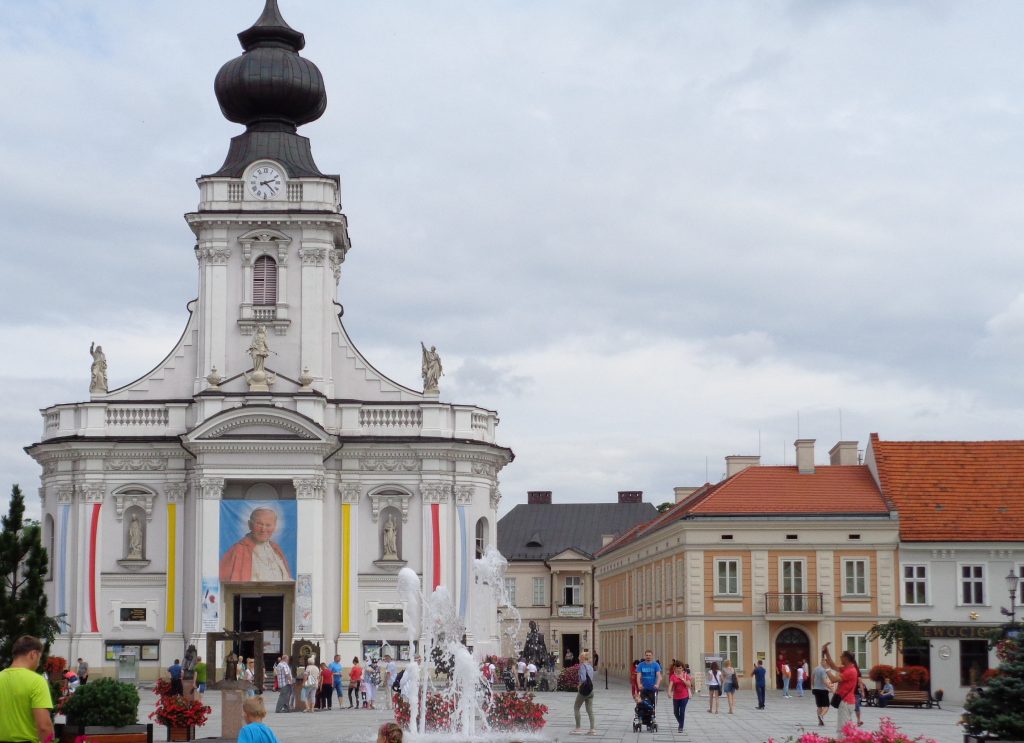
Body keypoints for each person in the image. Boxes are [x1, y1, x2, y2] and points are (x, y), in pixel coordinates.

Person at [0, 636, 55, 743]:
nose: (39, 663)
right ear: (33, 654)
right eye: (39, 657)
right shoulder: (37, 681)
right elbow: (44, 726)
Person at [220, 507, 292, 582]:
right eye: (259, 524)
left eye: (268, 525)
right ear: (250, 525)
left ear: (274, 527)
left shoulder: (276, 549)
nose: (263, 529)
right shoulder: (238, 550)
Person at [822, 642, 859, 735]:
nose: (840, 657)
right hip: (847, 701)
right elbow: (833, 666)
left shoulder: (850, 671)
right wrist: (826, 652)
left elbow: (833, 679)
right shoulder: (848, 668)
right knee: (847, 727)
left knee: (842, 728)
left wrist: (826, 669)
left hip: (846, 702)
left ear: (846, 658)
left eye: (842, 656)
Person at [570, 650, 597, 735]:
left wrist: (579, 686)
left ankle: (578, 728)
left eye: (579, 657)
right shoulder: (590, 667)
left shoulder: (582, 666)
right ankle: (592, 729)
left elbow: (583, 679)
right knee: (590, 710)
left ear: (582, 658)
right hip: (591, 690)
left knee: (576, 707)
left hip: (584, 690)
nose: (579, 658)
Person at [668, 661, 693, 733]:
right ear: (675, 668)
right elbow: (670, 685)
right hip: (676, 696)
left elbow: (689, 685)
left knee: (682, 711)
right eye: (677, 668)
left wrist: (682, 679)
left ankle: (681, 726)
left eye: (680, 668)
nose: (679, 669)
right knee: (675, 712)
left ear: (682, 668)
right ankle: (680, 723)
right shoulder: (673, 676)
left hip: (684, 696)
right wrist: (669, 692)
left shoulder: (685, 675)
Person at [811, 657, 831, 726]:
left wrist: (813, 686)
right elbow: (824, 681)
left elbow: (812, 678)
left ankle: (820, 722)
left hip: (816, 690)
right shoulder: (824, 670)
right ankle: (821, 715)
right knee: (827, 705)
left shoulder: (815, 668)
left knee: (819, 706)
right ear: (824, 662)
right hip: (823, 690)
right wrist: (830, 688)